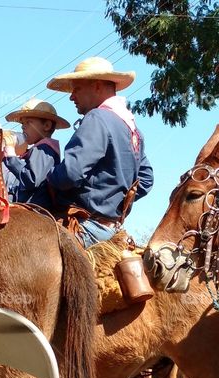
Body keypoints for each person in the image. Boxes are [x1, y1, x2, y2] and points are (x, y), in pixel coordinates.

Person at [44, 57, 154, 247]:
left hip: (84, 228)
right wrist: (113, 202)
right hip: (111, 230)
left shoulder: (97, 117)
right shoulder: (132, 128)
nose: (71, 97)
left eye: (76, 89)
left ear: (96, 86)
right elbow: (146, 180)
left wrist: (49, 178)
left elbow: (71, 173)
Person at [2, 98, 69, 205]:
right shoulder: (35, 150)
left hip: (36, 210)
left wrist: (11, 157)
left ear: (46, 126)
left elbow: (31, 179)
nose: (23, 127)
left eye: (28, 122)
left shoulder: (45, 148)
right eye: (22, 123)